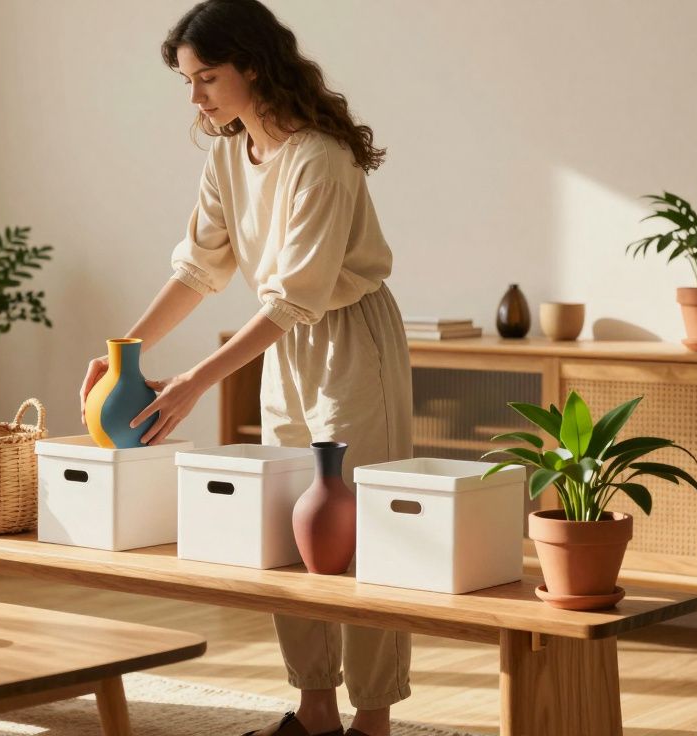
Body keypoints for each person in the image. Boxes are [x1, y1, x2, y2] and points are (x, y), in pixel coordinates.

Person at [77, 1, 413, 735]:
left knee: (356, 531)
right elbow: (200, 270)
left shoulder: (320, 158)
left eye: (207, 77)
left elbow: (296, 299)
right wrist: (121, 354)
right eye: (188, 82)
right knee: (286, 528)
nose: (195, 97)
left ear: (253, 65)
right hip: (283, 349)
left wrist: (197, 381)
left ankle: (375, 718)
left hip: (349, 346)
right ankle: (316, 708)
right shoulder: (230, 154)